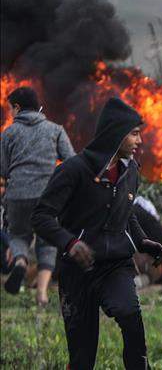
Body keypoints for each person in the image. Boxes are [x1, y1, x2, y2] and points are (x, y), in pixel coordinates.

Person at [32, 97, 162, 370]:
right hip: (77, 272)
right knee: (82, 357)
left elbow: (126, 212)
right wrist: (70, 243)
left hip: (115, 265)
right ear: (116, 134)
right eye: (134, 134)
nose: (140, 141)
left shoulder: (131, 172)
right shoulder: (73, 170)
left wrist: (143, 241)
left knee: (130, 315)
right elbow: (41, 216)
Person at [1, 86, 75, 304]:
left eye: (10, 109)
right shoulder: (55, 130)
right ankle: (41, 293)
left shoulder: (9, 133)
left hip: (17, 195)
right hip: (47, 196)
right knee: (48, 241)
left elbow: (3, 169)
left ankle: (21, 262)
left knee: (18, 235)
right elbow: (71, 161)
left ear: (17, 108)